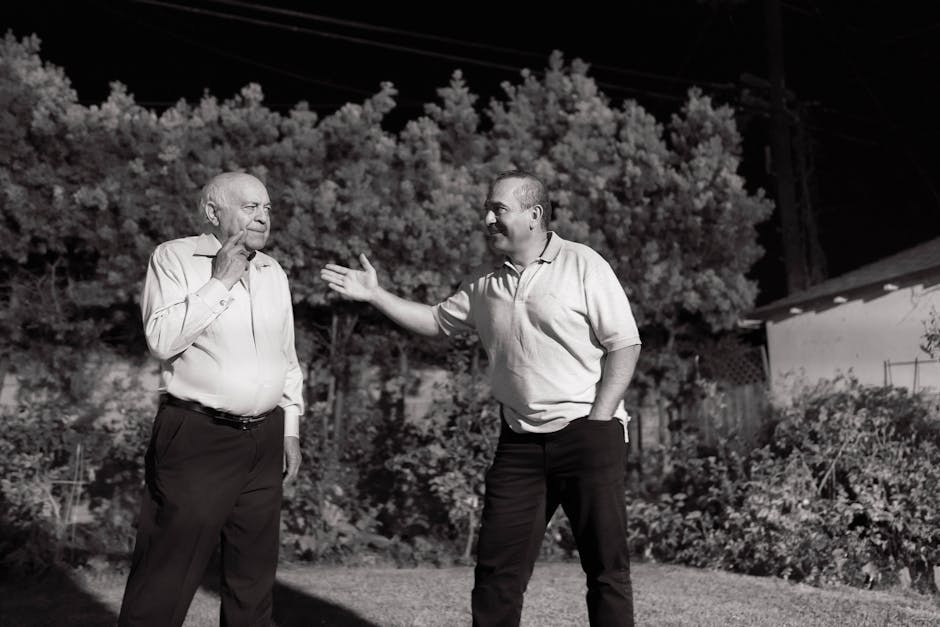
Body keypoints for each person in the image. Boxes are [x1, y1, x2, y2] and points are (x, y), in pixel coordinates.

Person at [320, 169, 641, 626]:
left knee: (606, 568)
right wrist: (375, 295)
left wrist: (600, 419)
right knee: (496, 574)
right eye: (488, 209)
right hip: (520, 443)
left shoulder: (583, 264)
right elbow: (435, 321)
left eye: (499, 209)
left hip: (587, 434)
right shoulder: (486, 283)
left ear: (534, 215)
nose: (488, 219)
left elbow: (624, 343)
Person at [119, 172, 304, 627]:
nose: (262, 216)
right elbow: (161, 340)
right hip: (198, 436)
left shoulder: (272, 271)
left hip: (265, 437)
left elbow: (287, 357)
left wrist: (291, 427)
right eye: (249, 206)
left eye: (267, 208)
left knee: (252, 580)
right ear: (212, 212)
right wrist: (219, 282)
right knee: (166, 575)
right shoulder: (174, 258)